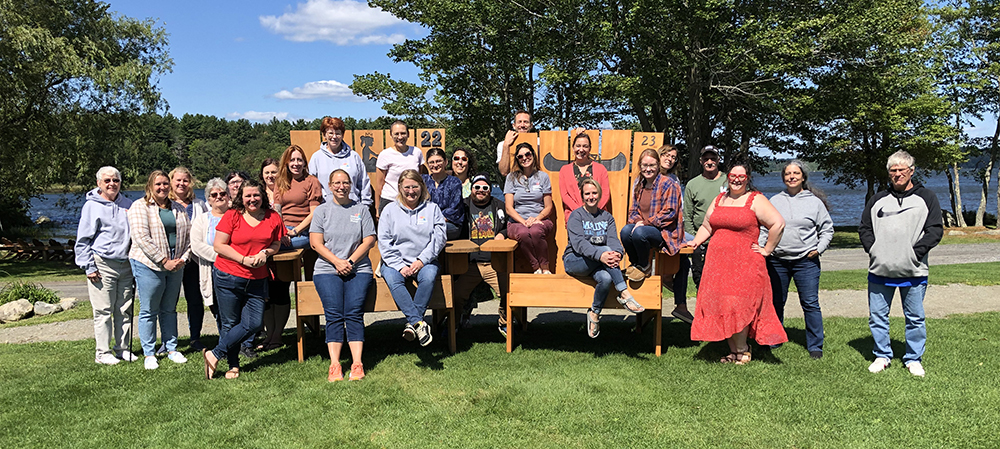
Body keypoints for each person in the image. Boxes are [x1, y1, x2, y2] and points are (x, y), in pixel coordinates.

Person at [685, 163, 787, 365]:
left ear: (747, 178)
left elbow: (778, 223)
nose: (737, 179)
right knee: (723, 303)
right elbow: (707, 225)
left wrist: (767, 249)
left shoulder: (755, 199)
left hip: (745, 263)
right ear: (727, 177)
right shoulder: (719, 199)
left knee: (739, 304)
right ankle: (733, 351)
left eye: (741, 176)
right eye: (733, 175)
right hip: (717, 263)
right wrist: (696, 241)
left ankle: (743, 350)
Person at [859, 150, 942, 377]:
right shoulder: (877, 200)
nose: (897, 174)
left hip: (913, 270)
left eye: (901, 170)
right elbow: (865, 228)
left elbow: (934, 230)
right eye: (893, 171)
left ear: (911, 171)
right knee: (877, 316)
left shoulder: (926, 198)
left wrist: (915, 253)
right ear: (889, 173)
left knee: (914, 317)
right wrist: (874, 250)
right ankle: (882, 355)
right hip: (880, 269)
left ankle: (913, 358)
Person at [203, 178, 286, 380]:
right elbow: (219, 245)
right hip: (228, 275)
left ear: (262, 196)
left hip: (258, 278)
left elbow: (276, 244)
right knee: (230, 322)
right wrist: (243, 259)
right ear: (241, 197)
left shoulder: (273, 217)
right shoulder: (232, 215)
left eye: (256, 195)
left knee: (254, 323)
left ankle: (214, 354)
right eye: (248, 195)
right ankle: (233, 365)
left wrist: (265, 253)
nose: (252, 199)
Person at [309, 170, 376, 382]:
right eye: (337, 183)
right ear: (329, 186)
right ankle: (335, 364)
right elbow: (315, 243)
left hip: (358, 268)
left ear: (351, 185)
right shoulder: (321, 211)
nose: (341, 186)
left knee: (354, 312)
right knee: (334, 314)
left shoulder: (361, 209)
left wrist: (350, 262)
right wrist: (337, 262)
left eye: (345, 182)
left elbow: (369, 240)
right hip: (327, 270)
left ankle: (357, 363)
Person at [763, 160, 833, 359]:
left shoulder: (814, 202)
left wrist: (819, 249)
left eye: (796, 173)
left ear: (803, 177)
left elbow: (827, 229)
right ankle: (774, 337)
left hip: (806, 262)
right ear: (783, 177)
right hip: (777, 261)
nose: (792, 177)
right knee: (776, 301)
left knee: (810, 303)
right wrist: (764, 250)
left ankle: (815, 345)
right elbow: (764, 227)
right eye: (788, 174)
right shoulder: (774, 201)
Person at [260, 145, 323, 351]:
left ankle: (267, 253)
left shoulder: (312, 181)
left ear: (305, 162)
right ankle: (270, 332)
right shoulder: (281, 182)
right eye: (292, 160)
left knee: (271, 250)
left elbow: (314, 213)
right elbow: (277, 211)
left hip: (304, 232)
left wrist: (295, 231)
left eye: (299, 160)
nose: (296, 164)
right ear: (286, 163)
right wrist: (280, 232)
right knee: (269, 252)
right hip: (283, 232)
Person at [127, 170, 191, 370]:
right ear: (150, 186)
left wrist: (183, 258)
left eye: (165, 184)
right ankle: (149, 353)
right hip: (149, 265)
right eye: (158, 184)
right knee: (149, 310)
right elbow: (141, 238)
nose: (162, 187)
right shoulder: (139, 207)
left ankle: (171, 348)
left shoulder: (179, 208)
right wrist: (163, 260)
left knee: (169, 308)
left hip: (176, 265)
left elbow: (189, 237)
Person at [564, 179, 644, 338]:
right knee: (606, 249)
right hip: (575, 261)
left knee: (606, 278)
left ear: (599, 195)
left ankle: (594, 312)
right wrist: (601, 254)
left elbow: (614, 240)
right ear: (582, 196)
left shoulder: (607, 217)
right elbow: (579, 244)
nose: (591, 197)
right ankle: (624, 294)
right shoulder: (576, 215)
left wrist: (617, 254)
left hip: (598, 263)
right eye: (587, 194)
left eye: (594, 193)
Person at [620, 147, 692, 323]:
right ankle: (636, 263)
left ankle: (644, 266)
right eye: (644, 165)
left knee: (640, 233)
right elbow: (633, 210)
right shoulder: (639, 184)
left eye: (652, 165)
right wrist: (637, 221)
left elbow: (670, 213)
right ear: (640, 166)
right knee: (625, 231)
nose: (648, 169)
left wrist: (645, 223)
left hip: (664, 231)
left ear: (658, 165)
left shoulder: (669, 184)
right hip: (644, 227)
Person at [377, 170, 446, 347]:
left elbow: (439, 238)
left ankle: (412, 324)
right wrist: (400, 266)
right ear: (400, 187)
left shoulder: (432, 209)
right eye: (406, 187)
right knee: (393, 280)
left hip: (425, 261)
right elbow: (384, 241)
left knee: (429, 276)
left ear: (421, 187)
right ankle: (418, 323)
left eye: (415, 186)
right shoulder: (389, 210)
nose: (411, 191)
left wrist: (422, 260)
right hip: (394, 263)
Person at [76, 166, 136, 365]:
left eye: (116, 180)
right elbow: (83, 240)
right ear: (99, 184)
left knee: (124, 309)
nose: (112, 184)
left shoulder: (128, 204)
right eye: (107, 181)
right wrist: (88, 266)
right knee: (103, 310)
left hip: (126, 264)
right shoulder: (91, 206)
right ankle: (102, 352)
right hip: (102, 264)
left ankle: (122, 349)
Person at [453, 175, 509, 336]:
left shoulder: (499, 205)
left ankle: (504, 322)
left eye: (485, 188)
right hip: (469, 264)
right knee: (456, 295)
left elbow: (509, 225)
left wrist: (502, 234)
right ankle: (453, 325)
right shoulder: (462, 206)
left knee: (509, 293)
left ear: (490, 190)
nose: (480, 191)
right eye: (477, 187)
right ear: (471, 189)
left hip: (494, 263)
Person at [169, 166, 210, 352]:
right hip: (173, 259)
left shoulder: (199, 204)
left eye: (185, 180)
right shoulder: (165, 203)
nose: (181, 184)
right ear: (171, 182)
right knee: (169, 301)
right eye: (177, 180)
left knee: (195, 300)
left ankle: (195, 338)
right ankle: (169, 341)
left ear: (190, 183)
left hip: (194, 259)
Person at [504, 142, 555, 274]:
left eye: (527, 154)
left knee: (536, 231)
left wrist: (536, 219)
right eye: (520, 156)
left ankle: (545, 268)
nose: (525, 158)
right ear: (517, 160)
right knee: (523, 233)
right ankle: (536, 268)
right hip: (517, 222)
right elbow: (509, 208)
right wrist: (524, 222)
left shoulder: (543, 177)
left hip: (540, 220)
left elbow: (548, 206)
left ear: (533, 155)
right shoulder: (511, 177)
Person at [189, 178, 230, 339]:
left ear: (228, 196)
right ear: (209, 199)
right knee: (218, 308)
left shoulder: (237, 216)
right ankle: (226, 341)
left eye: (222, 193)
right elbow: (196, 245)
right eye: (214, 194)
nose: (218, 197)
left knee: (235, 306)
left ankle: (241, 344)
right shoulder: (202, 219)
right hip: (212, 268)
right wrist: (222, 256)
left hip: (235, 268)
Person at [683, 146, 727, 289]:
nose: (709, 162)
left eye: (713, 158)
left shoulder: (728, 181)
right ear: (701, 161)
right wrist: (694, 239)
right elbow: (687, 215)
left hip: (724, 241)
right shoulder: (692, 184)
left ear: (718, 160)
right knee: (700, 280)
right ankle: (702, 311)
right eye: (706, 159)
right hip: (700, 242)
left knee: (723, 281)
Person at [308, 116, 372, 207]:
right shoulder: (316, 158)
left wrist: (365, 206)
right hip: (326, 208)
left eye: (338, 133)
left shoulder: (353, 156)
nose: (334, 137)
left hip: (353, 207)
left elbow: (364, 183)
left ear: (342, 135)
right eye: (330, 133)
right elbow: (311, 186)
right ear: (324, 135)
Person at [375, 120, 424, 218]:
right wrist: (377, 208)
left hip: (411, 201)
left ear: (408, 134)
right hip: (390, 200)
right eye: (396, 134)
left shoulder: (417, 152)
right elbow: (379, 184)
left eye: (403, 133)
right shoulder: (385, 155)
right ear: (391, 135)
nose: (400, 137)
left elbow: (420, 178)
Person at [558, 132, 610, 223]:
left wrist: (594, 210)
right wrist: (581, 212)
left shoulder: (601, 169)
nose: (581, 149)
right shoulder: (564, 170)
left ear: (590, 148)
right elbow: (565, 195)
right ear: (573, 147)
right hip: (574, 215)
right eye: (578, 146)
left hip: (598, 215)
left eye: (585, 146)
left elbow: (605, 193)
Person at [423, 147, 464, 240]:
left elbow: (454, 209)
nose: (435, 165)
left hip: (450, 224)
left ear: (446, 162)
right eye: (431, 162)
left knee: (428, 231)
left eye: (438, 161)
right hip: (425, 222)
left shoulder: (454, 182)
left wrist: (434, 221)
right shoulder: (423, 181)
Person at [497, 110, 533, 177]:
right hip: (514, 185)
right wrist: (506, 145)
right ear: (514, 125)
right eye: (519, 122)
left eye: (526, 122)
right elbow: (504, 172)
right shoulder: (503, 144)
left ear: (531, 125)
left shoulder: (540, 142)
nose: (522, 125)